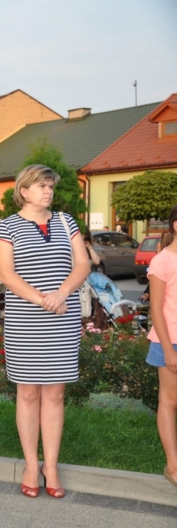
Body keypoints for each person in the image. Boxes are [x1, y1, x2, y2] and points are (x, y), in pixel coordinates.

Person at [0, 165, 90, 499]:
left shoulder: (66, 222)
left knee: (55, 394)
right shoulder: (7, 227)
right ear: (24, 191)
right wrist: (43, 300)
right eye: (41, 186)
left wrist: (61, 294)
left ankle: (51, 465)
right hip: (26, 321)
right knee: (28, 393)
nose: (48, 191)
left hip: (62, 319)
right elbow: (7, 275)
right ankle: (31, 466)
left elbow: (83, 264)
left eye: (50, 186)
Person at [145, 204, 177, 489]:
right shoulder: (162, 261)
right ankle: (173, 466)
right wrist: (168, 350)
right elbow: (156, 309)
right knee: (170, 401)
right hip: (170, 341)